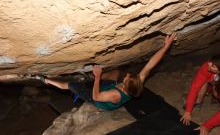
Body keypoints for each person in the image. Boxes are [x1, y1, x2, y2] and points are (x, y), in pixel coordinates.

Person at [36, 33, 176, 110]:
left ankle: (46, 80)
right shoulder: (137, 82)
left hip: (98, 100)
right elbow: (150, 64)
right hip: (108, 89)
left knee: (70, 85)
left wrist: (97, 77)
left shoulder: (115, 94)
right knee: (115, 72)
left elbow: (97, 97)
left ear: (125, 86)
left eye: (126, 78)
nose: (126, 76)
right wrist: (165, 47)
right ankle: (89, 80)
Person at [180, 54, 220, 135]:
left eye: (213, 66)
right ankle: (198, 102)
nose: (209, 65)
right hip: (216, 82)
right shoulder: (207, 67)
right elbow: (195, 87)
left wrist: (207, 126)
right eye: (210, 62)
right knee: (203, 81)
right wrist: (188, 111)